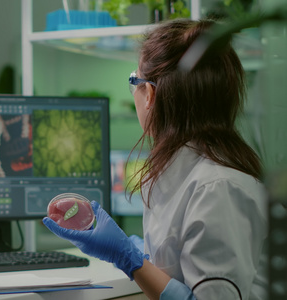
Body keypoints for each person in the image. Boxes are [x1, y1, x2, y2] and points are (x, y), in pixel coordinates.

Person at [43, 18, 267, 300]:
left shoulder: (218, 188)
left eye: (133, 81)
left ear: (148, 93)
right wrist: (136, 252)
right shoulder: (184, 171)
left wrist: (129, 260)